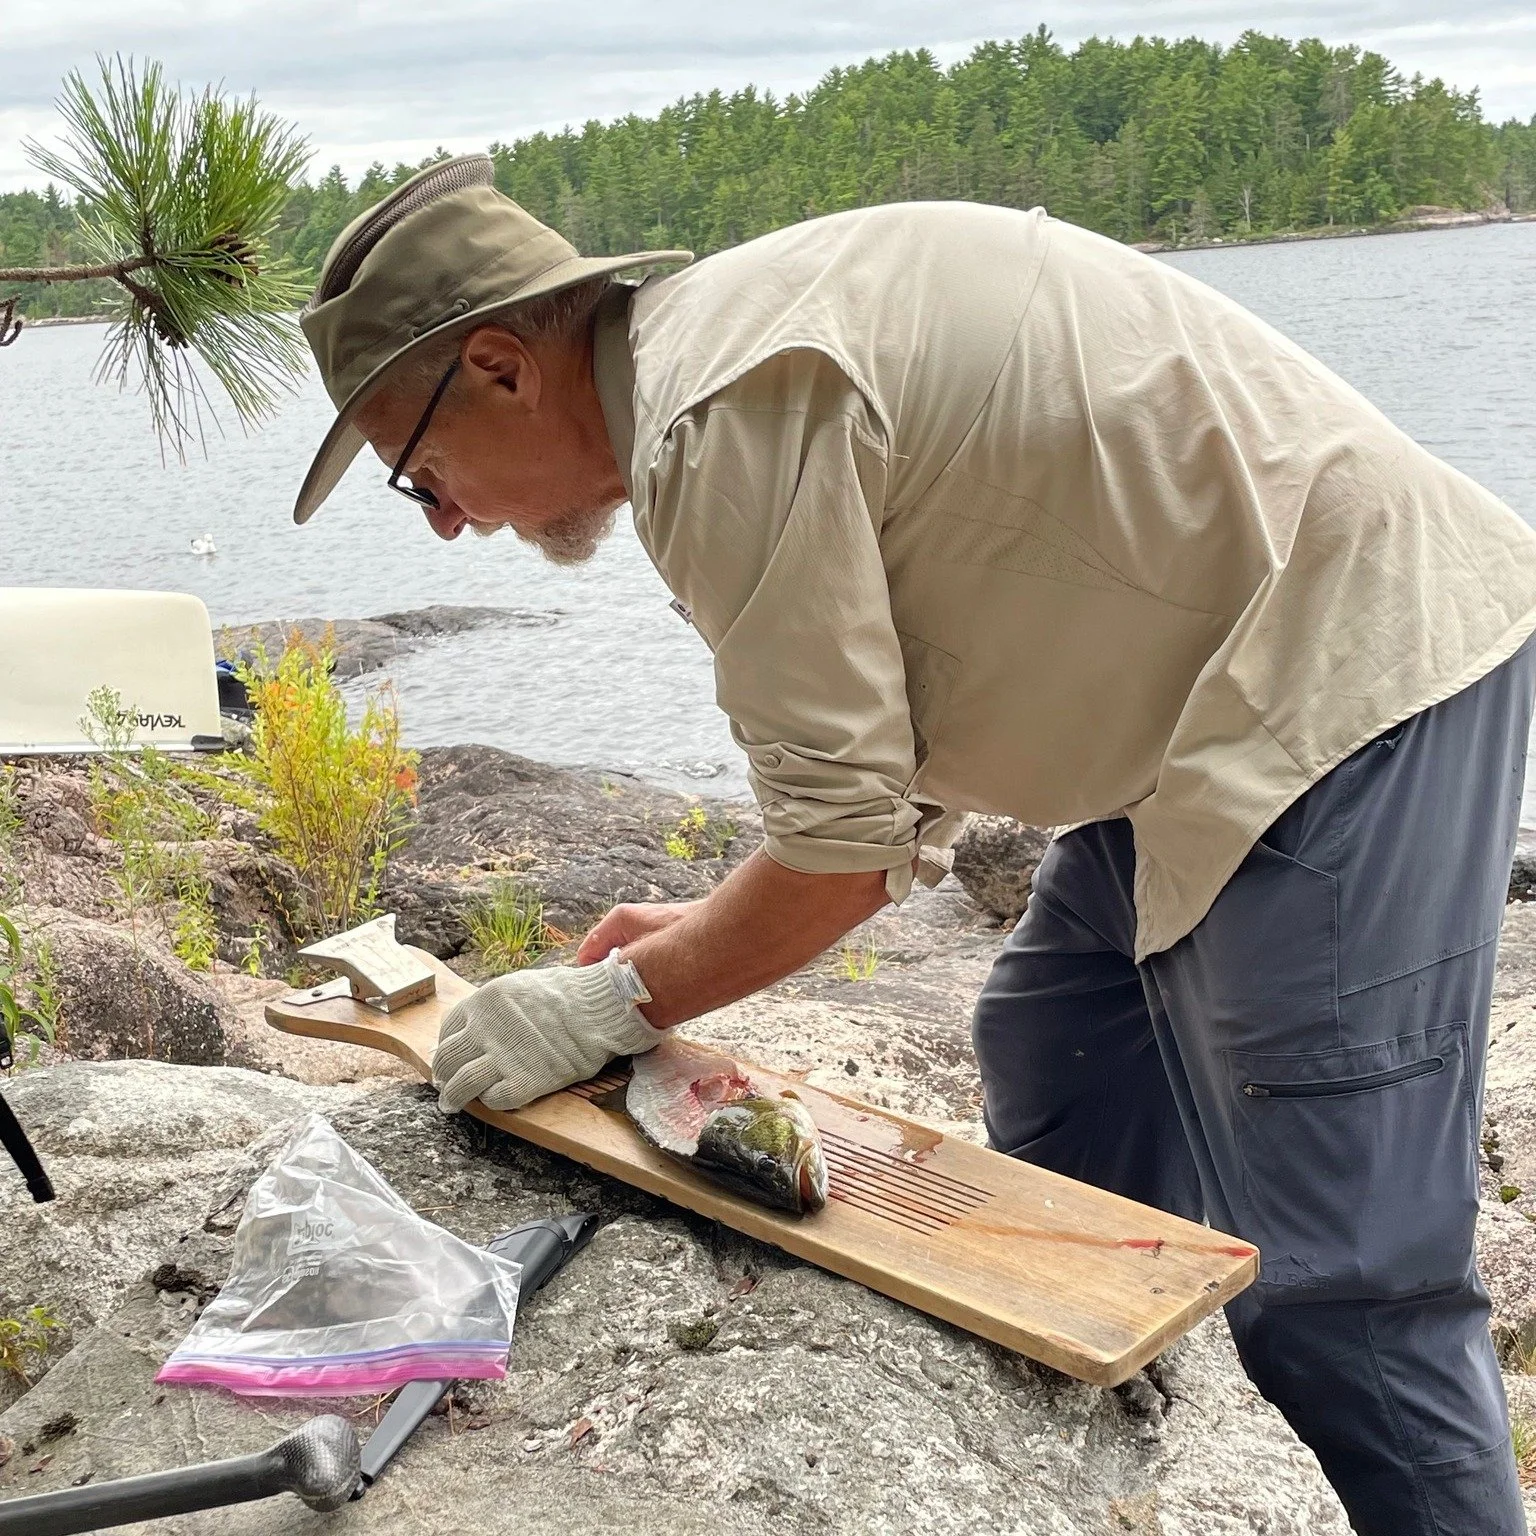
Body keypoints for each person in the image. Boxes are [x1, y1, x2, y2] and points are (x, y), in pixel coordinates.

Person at [292, 154, 1536, 1533]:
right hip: (1206, 698)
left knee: (1351, 1293)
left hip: (1344, 680)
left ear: (502, 365)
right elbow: (901, 714)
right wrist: (699, 938)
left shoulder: (719, 417)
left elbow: (842, 857)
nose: (452, 522)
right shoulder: (718, 359)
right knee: (1061, 1043)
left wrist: (616, 999)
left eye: (420, 476)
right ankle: (1137, 1438)